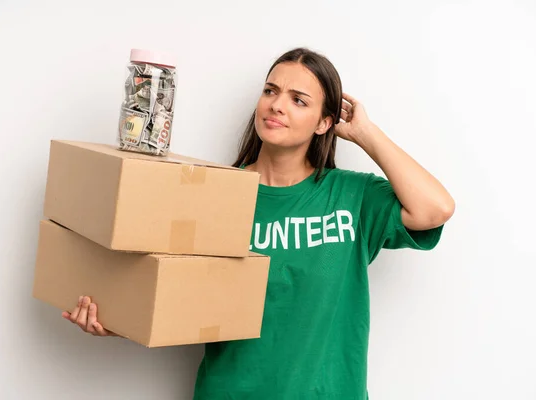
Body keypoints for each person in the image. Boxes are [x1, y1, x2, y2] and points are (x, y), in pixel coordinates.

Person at [63, 47, 455, 399]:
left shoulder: (352, 198)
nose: (277, 105)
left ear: (324, 123)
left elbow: (435, 209)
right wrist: (117, 319)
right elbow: (172, 293)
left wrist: (366, 133)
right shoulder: (214, 194)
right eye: (271, 91)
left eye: (298, 100)